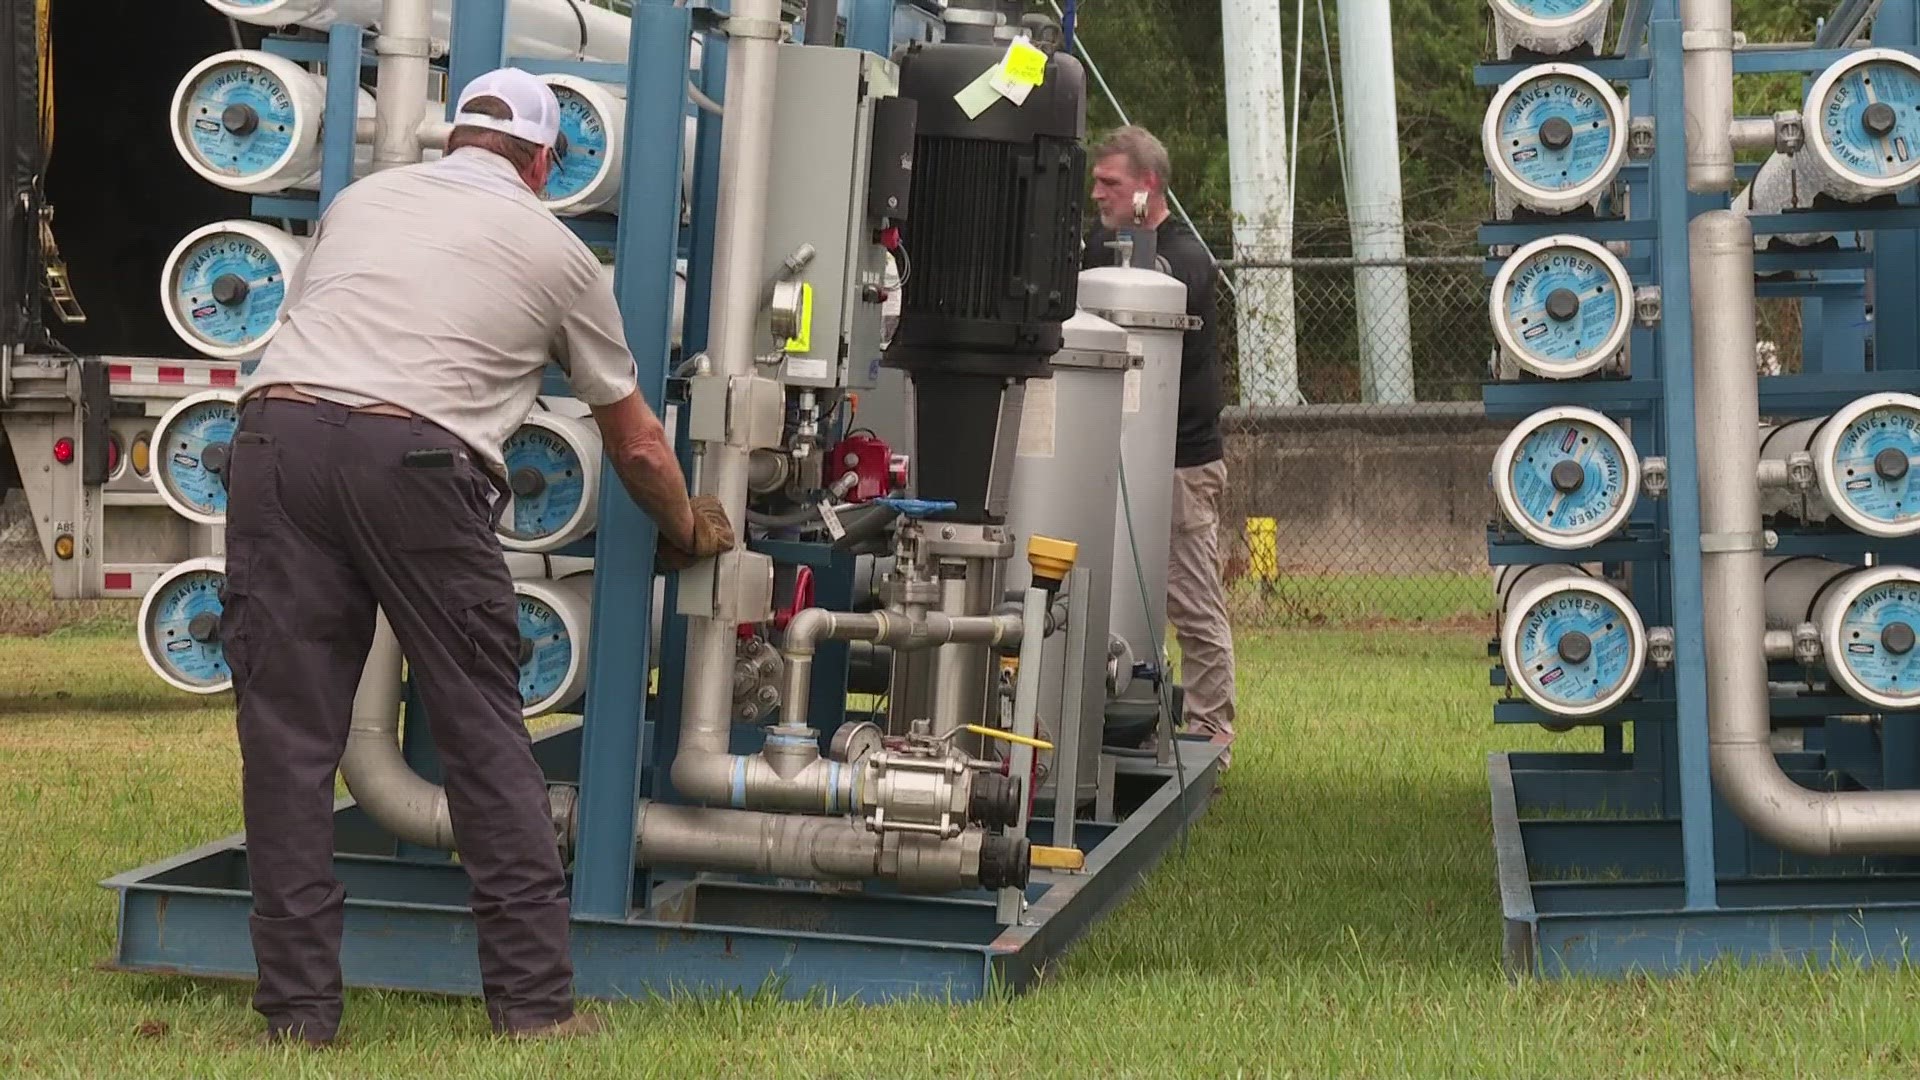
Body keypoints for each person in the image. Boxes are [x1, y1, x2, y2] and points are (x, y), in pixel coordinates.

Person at [221, 67, 734, 1046]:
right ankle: (535, 1009)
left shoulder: (361, 199)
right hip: (416, 463)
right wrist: (683, 524)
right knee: (482, 730)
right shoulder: (559, 254)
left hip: (275, 440)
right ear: (546, 162)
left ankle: (295, 1019)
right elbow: (632, 443)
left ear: (453, 138)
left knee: (286, 738)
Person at [1080, 125, 1238, 771]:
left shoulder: (1182, 261)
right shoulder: (1103, 247)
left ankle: (1211, 739)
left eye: (1110, 183)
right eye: (1096, 182)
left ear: (1148, 189)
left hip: (1177, 465)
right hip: (1109, 456)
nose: (1097, 194)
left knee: (1193, 606)